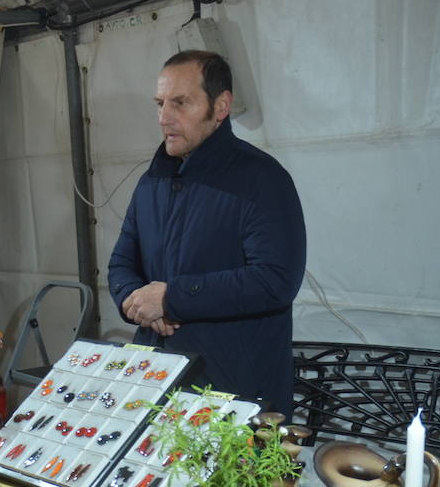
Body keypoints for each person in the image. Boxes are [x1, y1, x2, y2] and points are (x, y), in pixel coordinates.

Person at [107, 50, 306, 412]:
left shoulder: (263, 179)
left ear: (221, 106)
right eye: (160, 103)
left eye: (181, 103)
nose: (165, 117)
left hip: (235, 390)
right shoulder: (152, 181)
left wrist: (170, 299)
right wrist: (138, 302)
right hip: (155, 380)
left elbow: (275, 280)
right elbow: (121, 264)